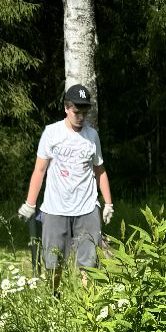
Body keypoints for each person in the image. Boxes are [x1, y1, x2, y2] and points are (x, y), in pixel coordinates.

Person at [18, 84, 114, 280]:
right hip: (55, 210)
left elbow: (100, 170)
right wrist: (30, 204)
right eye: (76, 112)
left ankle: (87, 307)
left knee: (89, 266)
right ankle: (55, 301)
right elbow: (39, 170)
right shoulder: (52, 133)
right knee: (53, 265)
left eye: (84, 113)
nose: (80, 117)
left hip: (86, 209)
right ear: (66, 108)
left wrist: (108, 204)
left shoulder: (91, 136)